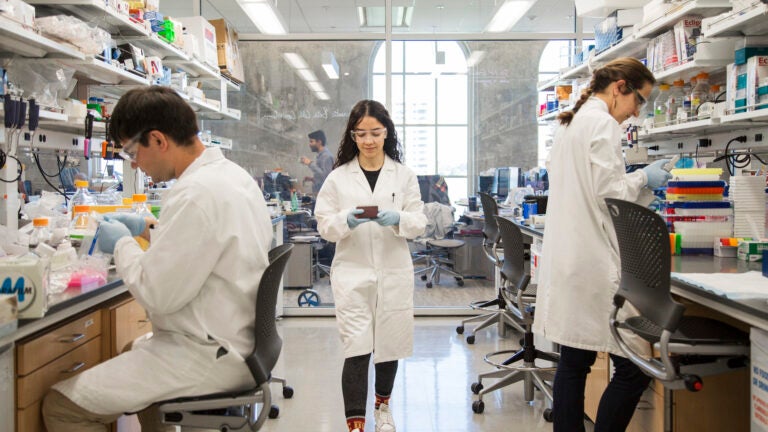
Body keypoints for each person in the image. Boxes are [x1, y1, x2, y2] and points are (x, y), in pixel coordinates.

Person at [42, 86, 274, 431]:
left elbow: (158, 295)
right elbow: (206, 242)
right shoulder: (230, 177)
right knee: (130, 350)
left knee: (62, 406)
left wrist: (123, 243)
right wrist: (150, 229)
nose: (134, 162)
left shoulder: (196, 193)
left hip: (207, 351)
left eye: (133, 151)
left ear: (158, 140)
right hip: (232, 338)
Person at [532, 57, 672, 432]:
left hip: (570, 259)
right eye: (638, 101)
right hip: (592, 263)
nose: (636, 113)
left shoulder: (570, 124)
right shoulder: (602, 124)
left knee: (574, 362)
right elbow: (609, 195)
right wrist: (645, 177)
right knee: (635, 367)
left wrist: (640, 187)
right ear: (619, 87)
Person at [315, 100, 426, 432]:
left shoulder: (403, 175)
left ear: (386, 133)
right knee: (357, 347)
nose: (368, 140)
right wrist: (345, 220)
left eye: (375, 133)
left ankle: (382, 409)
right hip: (352, 272)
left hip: (392, 270)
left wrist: (398, 219)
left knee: (389, 342)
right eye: (361, 133)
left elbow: (419, 222)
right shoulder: (338, 178)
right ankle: (356, 426)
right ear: (352, 135)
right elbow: (324, 224)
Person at [300, 129, 335, 194]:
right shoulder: (320, 156)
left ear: (319, 142)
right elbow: (321, 175)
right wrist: (312, 179)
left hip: (324, 195)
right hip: (319, 194)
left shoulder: (327, 156)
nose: (309, 144)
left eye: (311, 141)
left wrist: (310, 163)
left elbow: (326, 178)